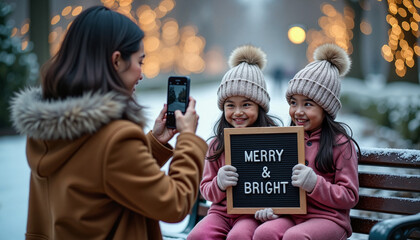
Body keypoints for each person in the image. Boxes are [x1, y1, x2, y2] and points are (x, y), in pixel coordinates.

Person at [9, 6, 207, 240]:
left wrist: (153, 144)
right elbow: (174, 203)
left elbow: (102, 178)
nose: (141, 74)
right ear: (116, 61)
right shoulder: (114, 138)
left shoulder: (47, 129)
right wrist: (188, 140)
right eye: (140, 61)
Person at [252, 43, 360, 240]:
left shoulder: (341, 144)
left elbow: (350, 196)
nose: (298, 111)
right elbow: (277, 183)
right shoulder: (287, 139)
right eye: (293, 103)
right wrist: (272, 207)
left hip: (330, 219)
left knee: (295, 237)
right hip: (293, 215)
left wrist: (314, 184)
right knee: (263, 233)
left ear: (326, 108)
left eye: (308, 104)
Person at [187, 45, 281, 240]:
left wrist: (273, 208)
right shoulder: (217, 145)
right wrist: (219, 183)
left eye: (246, 104)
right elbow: (206, 189)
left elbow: (281, 184)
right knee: (197, 236)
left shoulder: (274, 142)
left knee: (238, 237)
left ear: (260, 106)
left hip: (252, 215)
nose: (238, 112)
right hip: (221, 213)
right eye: (231, 105)